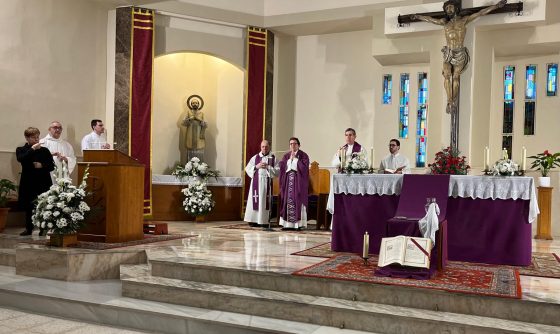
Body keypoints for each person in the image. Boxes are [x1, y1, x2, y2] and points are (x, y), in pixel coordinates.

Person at [411, 0, 507, 114]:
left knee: (456, 77)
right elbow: (431, 20)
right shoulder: (444, 22)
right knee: (446, 74)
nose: (448, 10)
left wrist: (496, 6)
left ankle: (453, 101)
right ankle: (449, 101)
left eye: (450, 7)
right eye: (446, 9)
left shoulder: (464, 20)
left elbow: (480, 13)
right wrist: (417, 16)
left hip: (460, 53)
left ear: (456, 8)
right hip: (448, 53)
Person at [16, 127, 55, 236]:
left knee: (43, 205)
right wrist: (32, 149)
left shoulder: (44, 150)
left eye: (38, 137)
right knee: (29, 206)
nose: (37, 139)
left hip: (43, 181)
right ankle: (29, 228)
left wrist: (42, 165)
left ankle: (43, 228)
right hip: (28, 182)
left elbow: (52, 166)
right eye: (34, 137)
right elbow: (21, 159)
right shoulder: (21, 149)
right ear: (27, 138)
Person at [244, 140, 279, 227]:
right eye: (263, 147)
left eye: (266, 147)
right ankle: (253, 220)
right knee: (254, 200)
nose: (264, 148)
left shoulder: (273, 158)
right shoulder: (255, 157)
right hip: (256, 183)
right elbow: (247, 168)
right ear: (260, 147)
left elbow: (278, 171)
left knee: (264, 202)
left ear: (269, 147)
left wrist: (268, 167)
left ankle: (263, 221)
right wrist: (257, 166)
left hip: (266, 184)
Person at [278, 137, 309, 230]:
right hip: (288, 182)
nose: (292, 145)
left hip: (298, 182)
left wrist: (295, 160)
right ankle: (287, 224)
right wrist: (289, 161)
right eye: (291, 144)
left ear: (299, 145)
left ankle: (298, 224)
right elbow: (282, 167)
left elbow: (304, 169)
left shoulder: (303, 155)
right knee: (287, 200)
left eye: (295, 143)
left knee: (298, 199)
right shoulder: (286, 156)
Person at [182, 96, 207, 161]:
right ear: (191, 104)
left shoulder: (201, 113)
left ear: (198, 104)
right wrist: (190, 118)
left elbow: (206, 124)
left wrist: (199, 120)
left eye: (196, 103)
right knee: (190, 151)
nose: (195, 104)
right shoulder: (188, 112)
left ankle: (200, 168)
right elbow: (183, 123)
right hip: (190, 134)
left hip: (199, 134)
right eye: (193, 103)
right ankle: (189, 168)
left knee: (199, 150)